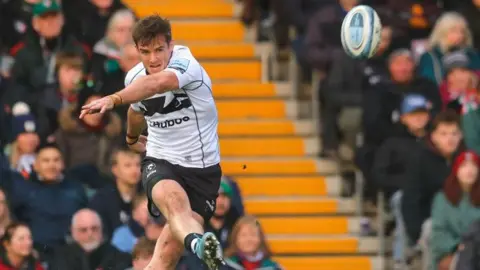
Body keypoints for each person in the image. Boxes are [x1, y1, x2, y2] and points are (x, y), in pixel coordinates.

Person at [79, 15, 223, 270]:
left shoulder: (186, 63)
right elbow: (136, 111)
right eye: (145, 52)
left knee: (166, 254)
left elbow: (157, 84)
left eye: (159, 50)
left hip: (203, 170)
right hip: (162, 159)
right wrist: (131, 138)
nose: (153, 59)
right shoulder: (133, 77)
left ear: (171, 45)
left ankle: (196, 242)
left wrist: (112, 99)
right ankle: (199, 245)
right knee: (175, 203)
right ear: (137, 50)